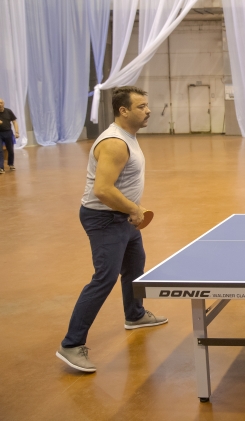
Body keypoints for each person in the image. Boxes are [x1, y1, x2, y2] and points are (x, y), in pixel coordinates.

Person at [57, 86, 167, 373]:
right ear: (123, 111)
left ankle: (135, 315)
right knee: (104, 278)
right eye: (141, 106)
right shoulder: (115, 143)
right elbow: (103, 190)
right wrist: (133, 209)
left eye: (147, 105)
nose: (148, 110)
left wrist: (131, 210)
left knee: (134, 267)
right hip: (105, 218)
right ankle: (71, 344)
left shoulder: (128, 136)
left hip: (123, 217)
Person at [0, 98, 20, 174]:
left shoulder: (8, 111)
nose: (0, 104)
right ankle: (1, 167)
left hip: (8, 132)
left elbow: (14, 122)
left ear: (3, 104)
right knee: (0, 151)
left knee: (10, 150)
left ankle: (11, 164)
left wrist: (17, 132)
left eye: (1, 103)